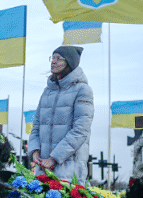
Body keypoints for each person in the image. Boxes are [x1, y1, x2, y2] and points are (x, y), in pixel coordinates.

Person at [28, 45, 94, 183]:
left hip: (69, 169)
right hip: (43, 168)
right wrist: (34, 151)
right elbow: (37, 125)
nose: (53, 61)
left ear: (69, 63)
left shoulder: (82, 90)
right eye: (52, 57)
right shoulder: (47, 91)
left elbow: (81, 130)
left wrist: (54, 158)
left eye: (59, 58)